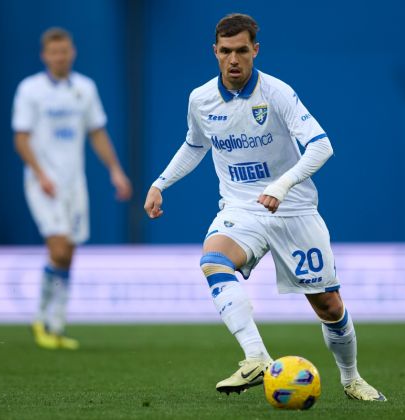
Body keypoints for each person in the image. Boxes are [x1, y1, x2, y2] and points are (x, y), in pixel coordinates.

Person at [144, 14, 385, 401]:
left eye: (241, 50)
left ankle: (351, 378)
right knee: (213, 262)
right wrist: (160, 183)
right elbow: (194, 145)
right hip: (241, 208)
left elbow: (322, 145)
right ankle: (255, 356)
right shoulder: (200, 99)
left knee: (328, 305)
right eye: (225, 51)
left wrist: (282, 185)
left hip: (294, 210)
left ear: (255, 50)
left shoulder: (277, 93)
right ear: (215, 52)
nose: (233, 59)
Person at [12, 27, 132, 350]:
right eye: (54, 52)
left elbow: (97, 133)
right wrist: (41, 174)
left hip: (74, 182)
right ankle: (40, 318)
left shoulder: (84, 88)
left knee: (70, 253)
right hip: (43, 182)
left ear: (72, 52)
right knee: (59, 247)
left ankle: (57, 324)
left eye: (64, 51)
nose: (60, 57)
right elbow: (21, 138)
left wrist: (116, 172)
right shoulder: (30, 90)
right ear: (44, 56)